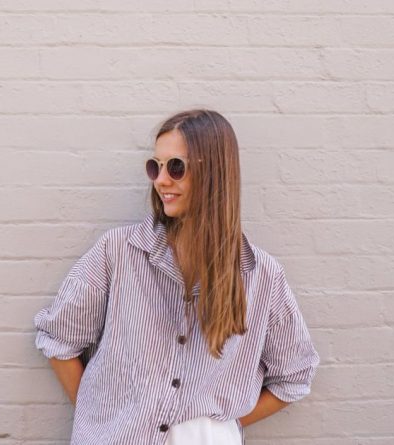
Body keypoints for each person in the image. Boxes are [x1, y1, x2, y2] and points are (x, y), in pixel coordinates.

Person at [33, 109, 320, 444]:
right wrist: (101, 418)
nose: (161, 180)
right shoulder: (118, 252)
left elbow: (295, 374)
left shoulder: (261, 276)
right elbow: (59, 339)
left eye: (176, 167)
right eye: (155, 167)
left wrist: (218, 426)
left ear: (213, 172)